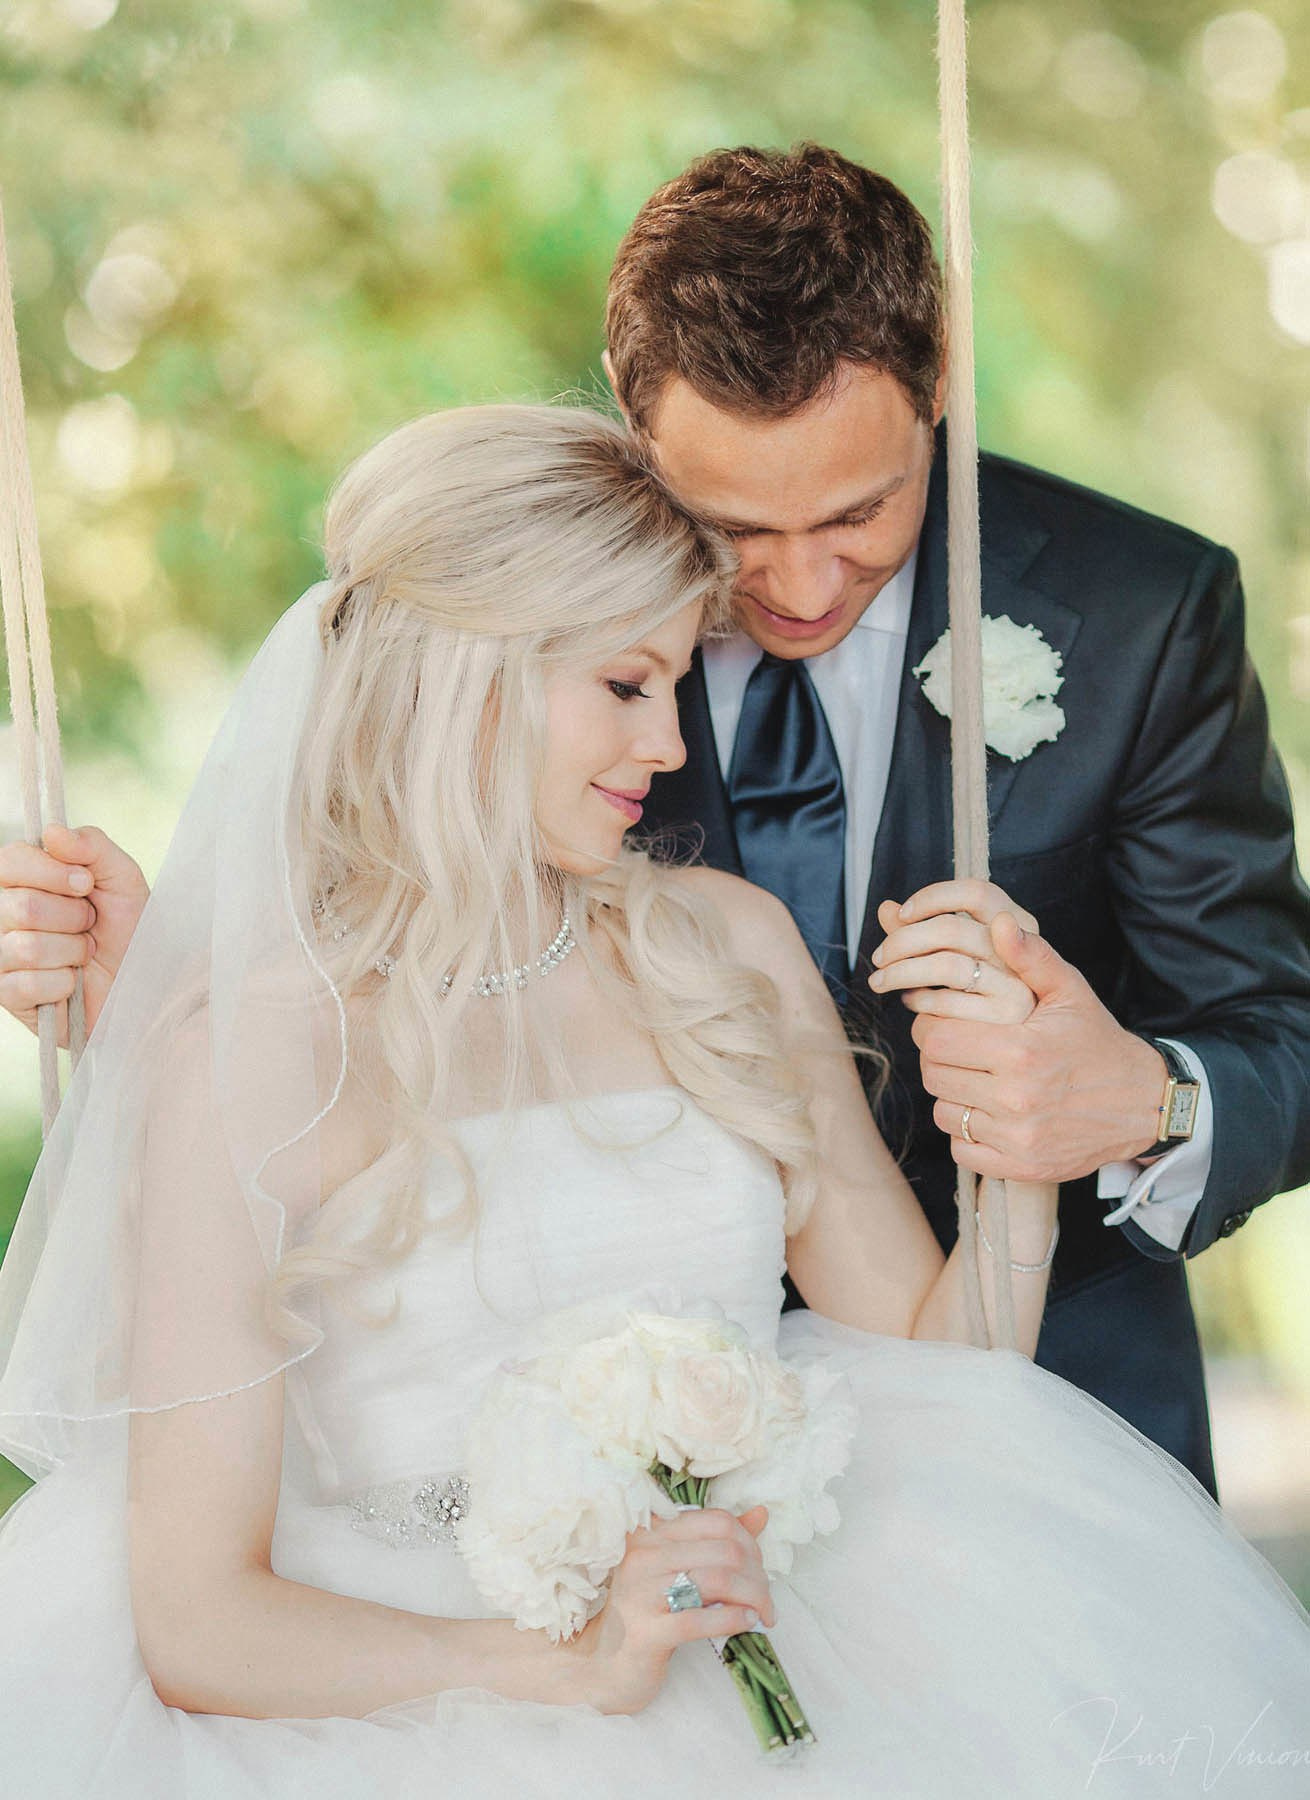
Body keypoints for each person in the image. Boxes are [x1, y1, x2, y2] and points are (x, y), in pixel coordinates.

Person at [0, 403, 1306, 1799]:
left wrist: (1019, 1134)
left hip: (817, 1631)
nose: (674, 744)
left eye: (678, 685)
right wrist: (568, 1666)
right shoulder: (245, 1055)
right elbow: (200, 1624)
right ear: (466, 676)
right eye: (628, 685)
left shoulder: (724, 949)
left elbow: (953, 1372)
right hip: (404, 1705)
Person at [4, 148, 1309, 1496]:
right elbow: (360, 1019)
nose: (801, 586)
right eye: (735, 528)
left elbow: (1280, 1025)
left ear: (936, 392)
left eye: (860, 513)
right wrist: (156, 1008)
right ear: (637, 428)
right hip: (483, 1493)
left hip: (1032, 1431)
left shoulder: (1143, 611)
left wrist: (1138, 1101)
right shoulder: (494, 620)